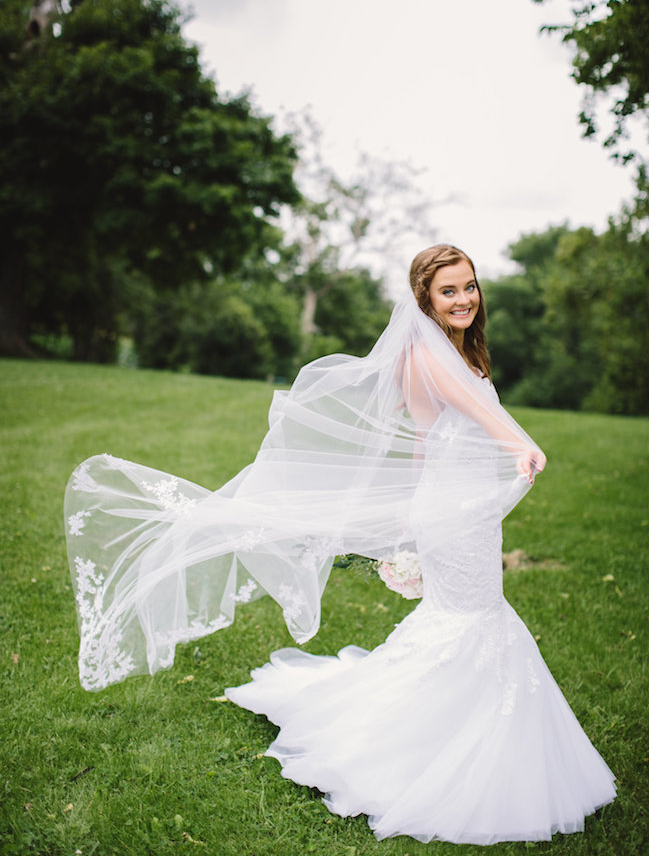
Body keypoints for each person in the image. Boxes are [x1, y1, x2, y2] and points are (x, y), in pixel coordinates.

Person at [65, 244, 616, 845]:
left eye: (470, 287)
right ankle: (408, 745)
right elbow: (476, 418)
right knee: (472, 619)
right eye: (448, 291)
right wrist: (520, 443)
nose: (463, 300)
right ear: (424, 300)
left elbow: (425, 445)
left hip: (464, 510)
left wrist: (415, 519)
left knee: (470, 614)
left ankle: (450, 730)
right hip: (455, 513)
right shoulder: (427, 359)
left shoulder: (460, 352)